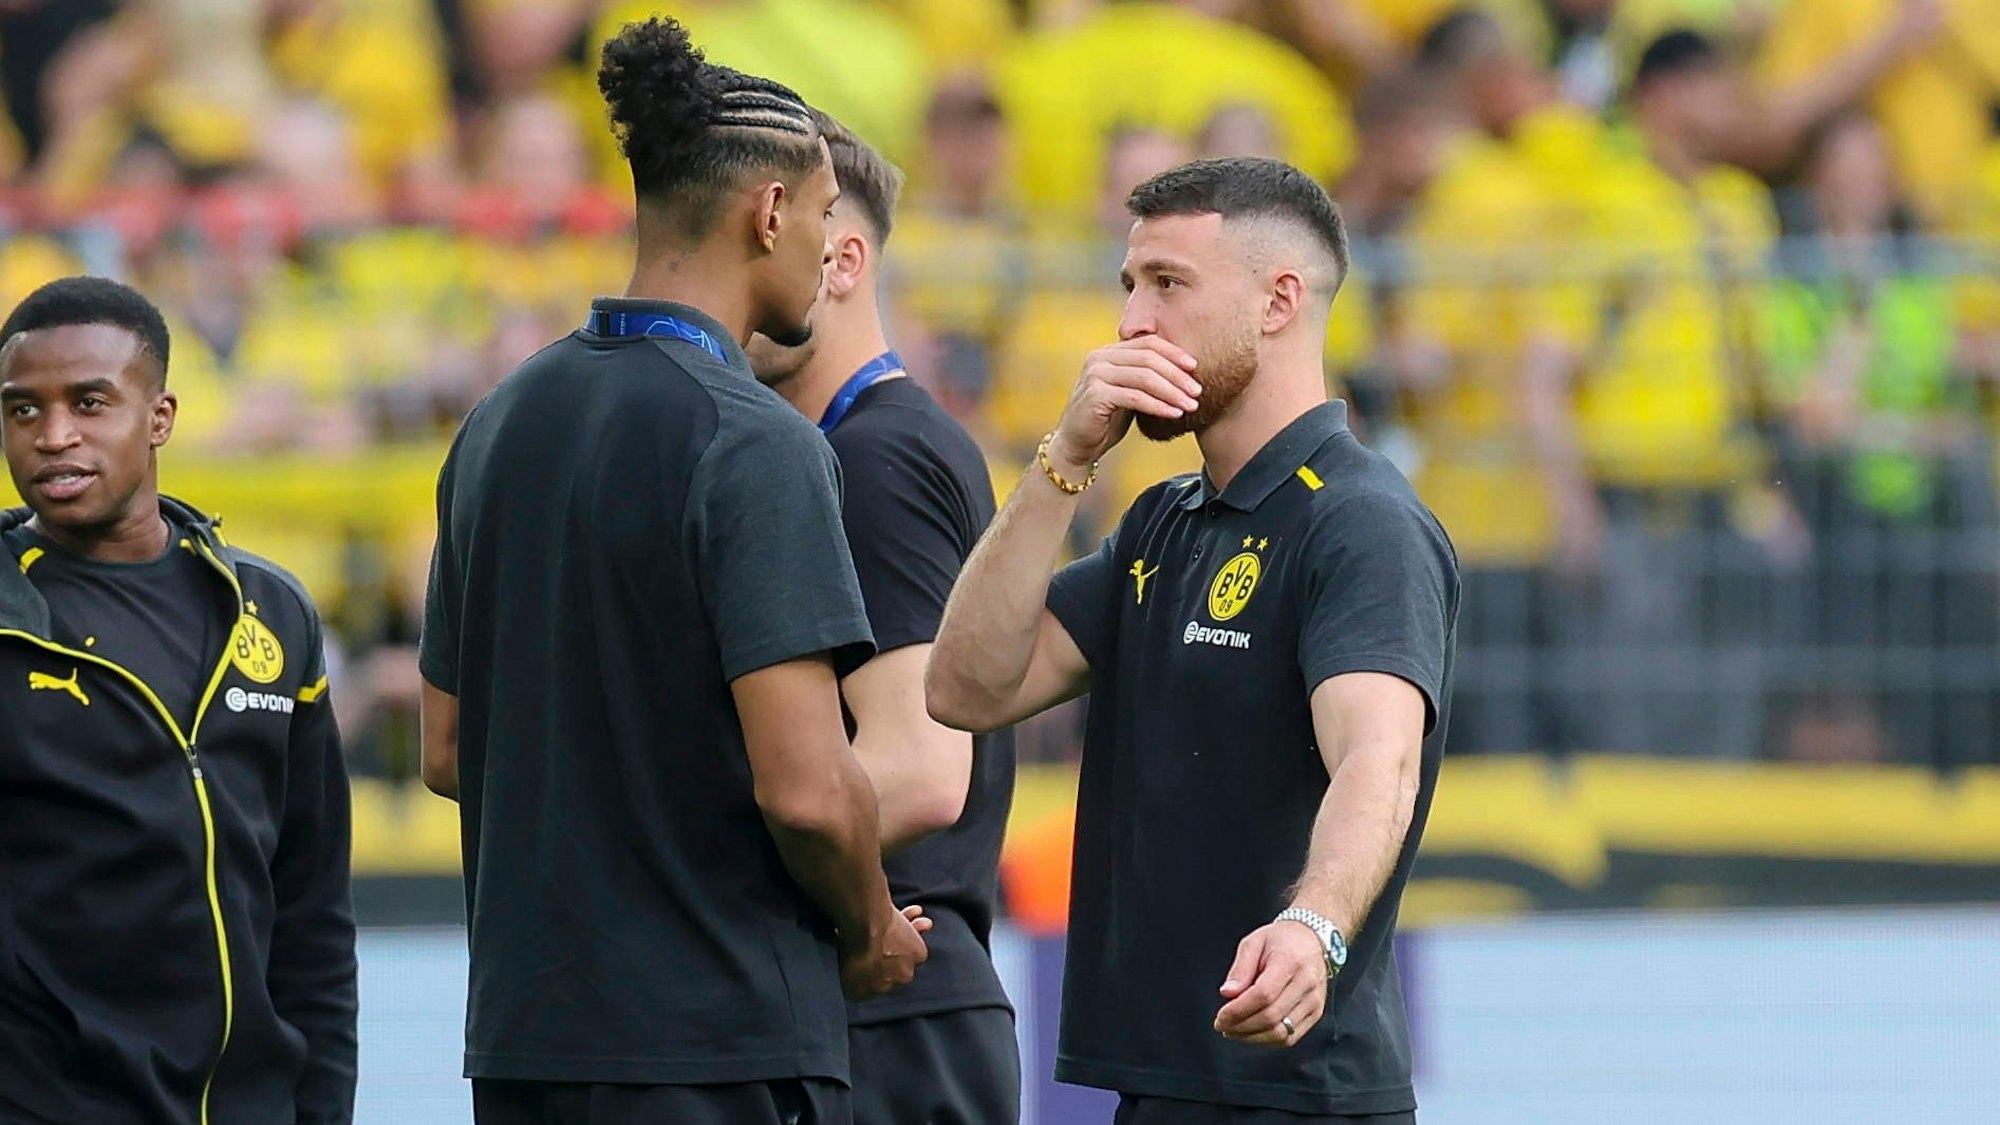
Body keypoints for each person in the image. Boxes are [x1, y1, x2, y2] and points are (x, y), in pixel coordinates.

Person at [418, 17, 928, 1125]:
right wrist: (872, 924)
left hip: (525, 1047)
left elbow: (448, 751)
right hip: (715, 1048)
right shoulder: (755, 442)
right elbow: (805, 789)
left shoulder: (498, 423)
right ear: (770, 212)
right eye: (826, 217)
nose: (827, 256)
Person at [928, 157, 1459, 1124]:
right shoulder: (1164, 520)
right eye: (1129, 286)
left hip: (1297, 1091)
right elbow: (963, 688)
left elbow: (1379, 761)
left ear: (1278, 301)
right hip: (1163, 1083)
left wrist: (1313, 926)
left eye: (1168, 284)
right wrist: (1064, 461)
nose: (1133, 322)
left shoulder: (1360, 519)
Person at [0, 275, 355, 1123]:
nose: (54, 436)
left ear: (159, 417)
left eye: (90, 402)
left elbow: (311, 914)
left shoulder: (273, 614)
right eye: (22, 410)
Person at [746, 114, 1021, 1125]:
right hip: (903, 1003)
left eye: (755, 253)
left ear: (842, 260)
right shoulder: (878, 445)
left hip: (893, 1005)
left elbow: (918, 768)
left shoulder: (870, 461)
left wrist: (685, 856)